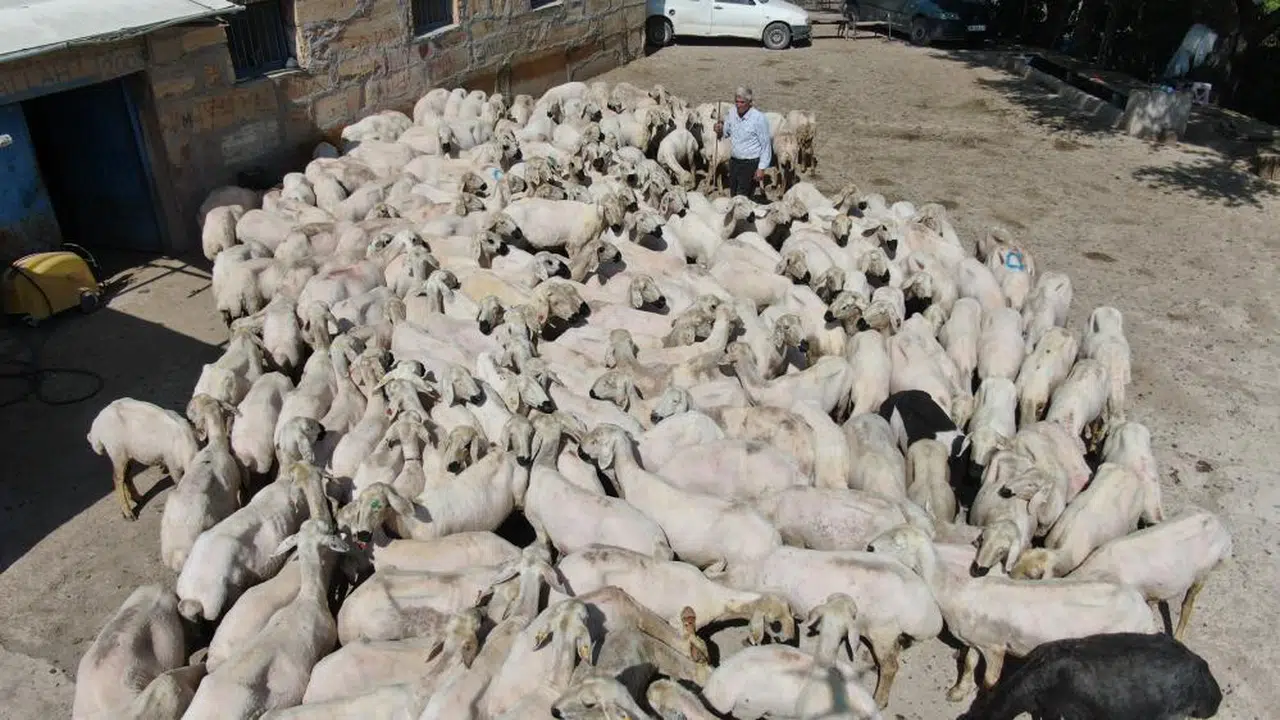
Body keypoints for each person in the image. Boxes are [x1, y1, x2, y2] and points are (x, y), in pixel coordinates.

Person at [714, 86, 772, 199]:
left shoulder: (759, 118)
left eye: (742, 102)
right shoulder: (732, 113)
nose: (738, 105)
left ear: (750, 102)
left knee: (743, 198)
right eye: (736, 101)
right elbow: (726, 132)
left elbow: (766, 145)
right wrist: (719, 129)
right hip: (734, 162)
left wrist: (761, 168)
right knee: (734, 194)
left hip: (750, 164)